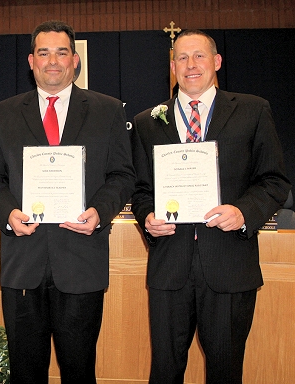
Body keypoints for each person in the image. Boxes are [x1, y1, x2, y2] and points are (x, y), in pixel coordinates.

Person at [0, 20, 136, 384]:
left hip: (81, 259)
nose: (53, 61)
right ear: (31, 61)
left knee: (79, 370)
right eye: (44, 53)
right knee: (25, 371)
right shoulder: (4, 113)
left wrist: (99, 211)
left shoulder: (107, 110)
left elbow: (122, 175)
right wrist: (7, 213)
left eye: (61, 52)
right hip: (23, 261)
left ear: (75, 60)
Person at [131, 29, 291, 383]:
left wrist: (243, 212)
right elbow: (141, 190)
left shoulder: (252, 110)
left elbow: (275, 181)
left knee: (225, 371)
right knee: (165, 371)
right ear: (172, 67)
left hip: (230, 265)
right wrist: (147, 218)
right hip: (169, 268)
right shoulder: (147, 122)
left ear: (216, 61)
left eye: (199, 56)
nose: (191, 65)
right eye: (182, 58)